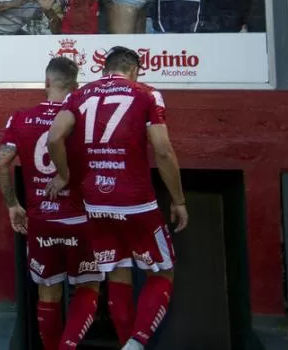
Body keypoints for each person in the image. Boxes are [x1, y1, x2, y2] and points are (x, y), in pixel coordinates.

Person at [46, 46, 189, 350]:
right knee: (163, 270)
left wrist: (65, 174)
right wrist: (178, 200)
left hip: (96, 200)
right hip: (136, 199)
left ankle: (128, 341)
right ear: (135, 70)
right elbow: (162, 151)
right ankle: (136, 342)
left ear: (103, 69)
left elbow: (54, 136)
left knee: (118, 272)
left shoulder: (80, 94)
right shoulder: (146, 93)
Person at [0, 57, 104, 349]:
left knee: (48, 291)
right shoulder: (81, 118)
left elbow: (0, 165)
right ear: (76, 87)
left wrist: (12, 204)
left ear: (46, 83)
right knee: (89, 287)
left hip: (41, 220)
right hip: (79, 218)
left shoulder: (20, 118)